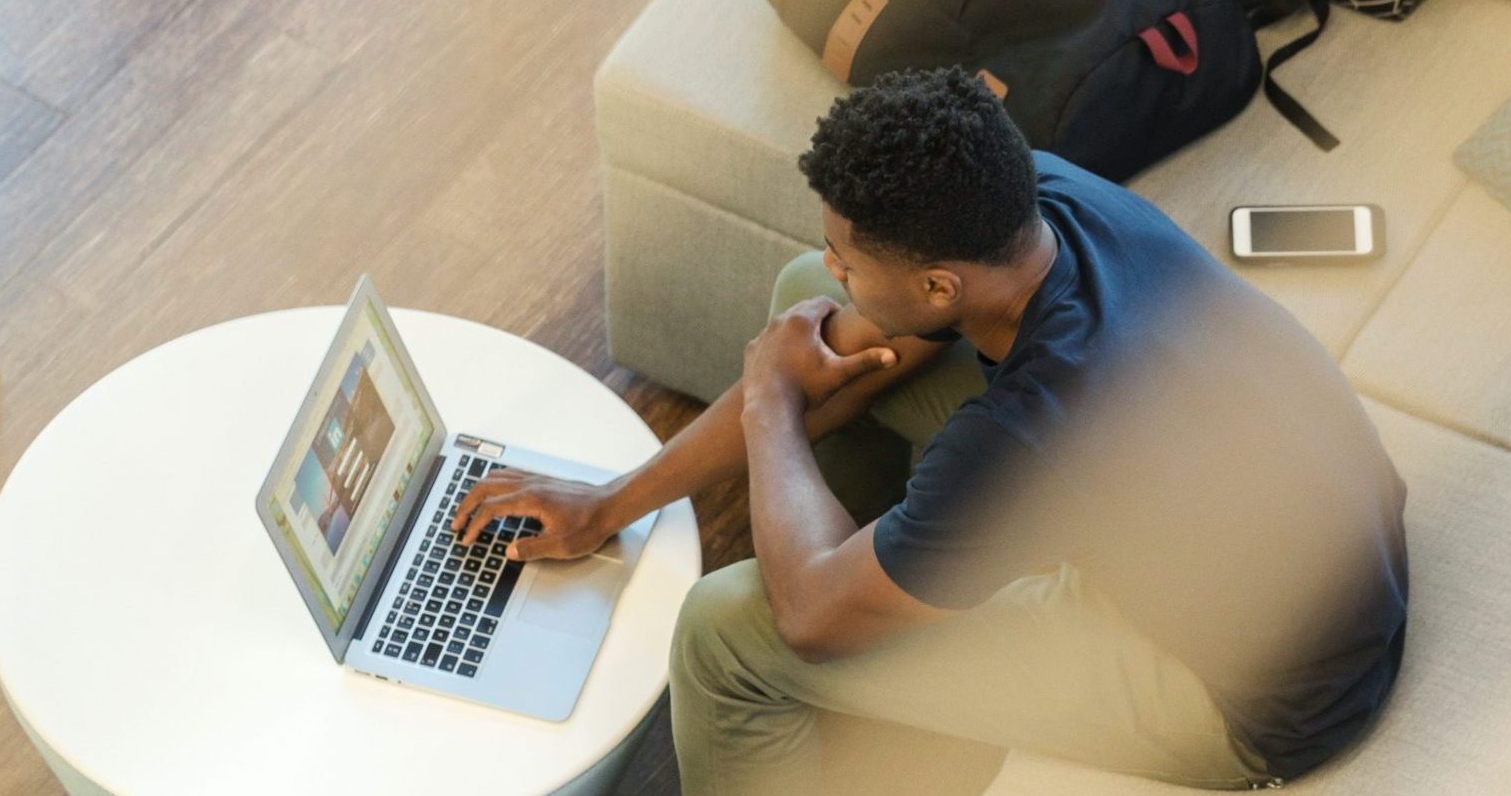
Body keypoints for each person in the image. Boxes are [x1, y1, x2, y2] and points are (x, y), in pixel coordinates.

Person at [451, 67, 1407, 793]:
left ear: (942, 284)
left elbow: (808, 621)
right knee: (802, 306)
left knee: (723, 633)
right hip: (1294, 543)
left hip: (1249, 694)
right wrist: (608, 503)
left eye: (850, 256)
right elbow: (838, 329)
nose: (835, 264)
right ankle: (885, 572)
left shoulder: (1037, 428)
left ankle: (870, 588)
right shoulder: (1034, 198)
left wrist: (768, 402)